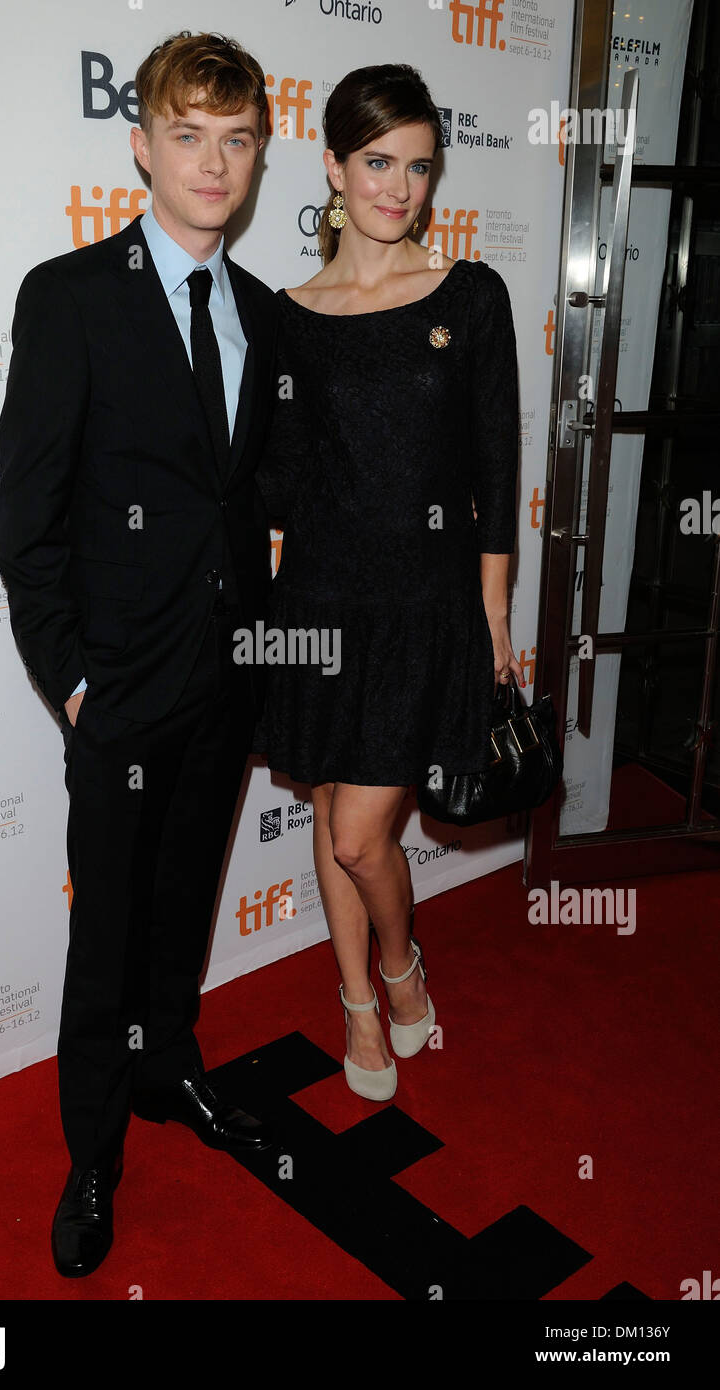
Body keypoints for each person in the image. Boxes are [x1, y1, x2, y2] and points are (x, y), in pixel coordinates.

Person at [0, 30, 279, 1278]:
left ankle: (174, 1067)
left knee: (180, 915)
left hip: (226, 687)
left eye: (236, 138)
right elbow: (29, 522)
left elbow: (253, 507)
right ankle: (93, 1152)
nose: (212, 163)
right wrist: (73, 685)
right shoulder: (69, 297)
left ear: (258, 152)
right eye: (187, 135)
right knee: (103, 934)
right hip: (115, 695)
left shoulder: (262, 315)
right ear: (142, 145)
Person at [255, 63, 525, 1103]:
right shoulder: (289, 314)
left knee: (362, 833)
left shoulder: (469, 297)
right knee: (331, 814)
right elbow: (276, 479)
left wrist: (492, 612)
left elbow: (497, 468)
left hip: (423, 605)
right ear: (331, 165)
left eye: (416, 167)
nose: (396, 187)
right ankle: (359, 1002)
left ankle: (402, 964)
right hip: (315, 599)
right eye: (376, 162)